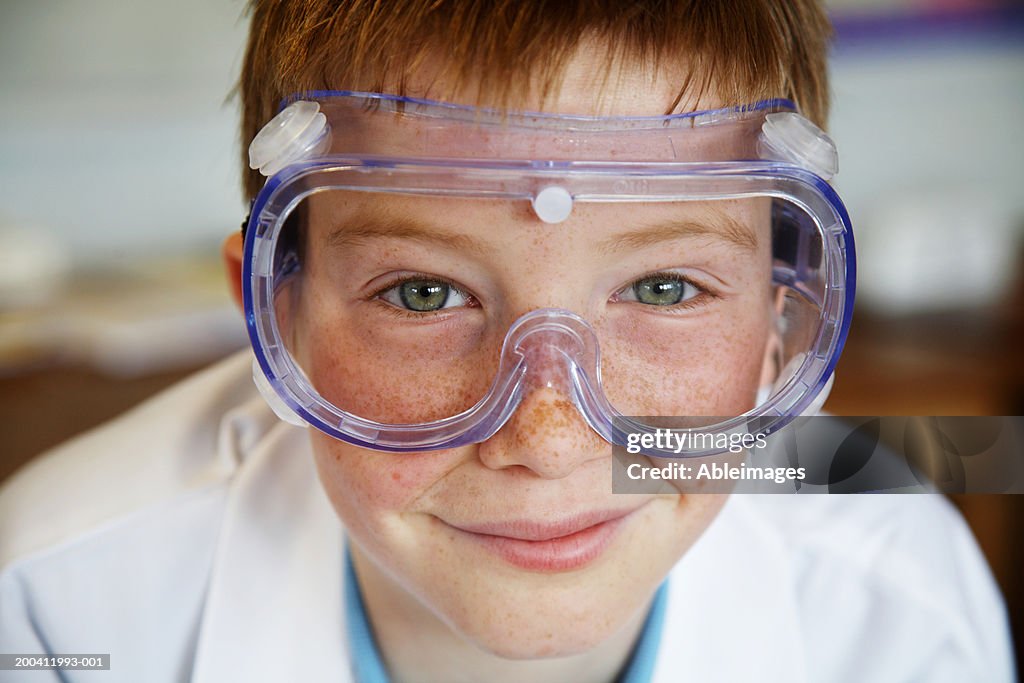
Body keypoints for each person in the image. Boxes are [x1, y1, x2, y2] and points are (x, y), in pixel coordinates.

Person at [0, 2, 1015, 681]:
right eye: (423, 291)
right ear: (276, 316)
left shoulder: (895, 601)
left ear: (779, 328)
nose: (549, 435)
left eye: (664, 287)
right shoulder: (60, 606)